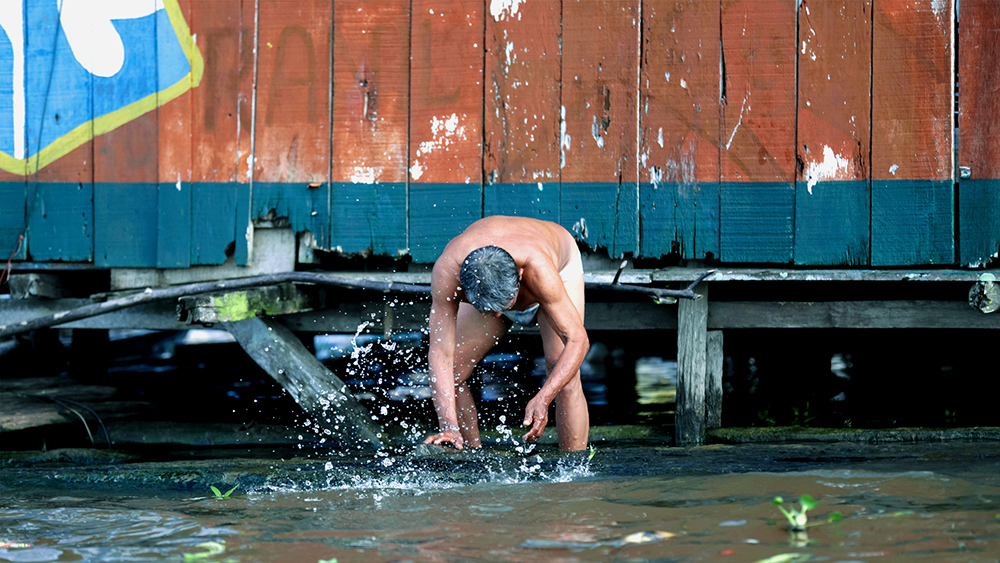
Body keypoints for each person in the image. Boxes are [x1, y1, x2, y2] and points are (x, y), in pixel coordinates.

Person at [422, 216, 590, 451]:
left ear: (520, 275)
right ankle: (470, 455)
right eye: (490, 310)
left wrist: (543, 398)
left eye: (504, 307)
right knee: (454, 370)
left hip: (558, 269)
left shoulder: (538, 267)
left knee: (562, 369)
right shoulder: (448, 271)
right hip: (492, 281)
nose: (498, 316)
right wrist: (448, 425)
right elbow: (440, 353)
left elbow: (578, 339)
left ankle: (574, 468)